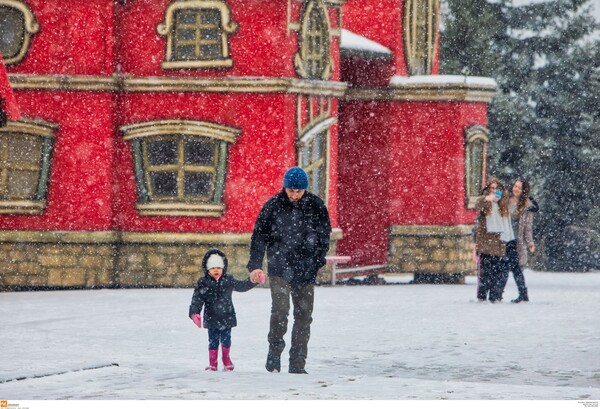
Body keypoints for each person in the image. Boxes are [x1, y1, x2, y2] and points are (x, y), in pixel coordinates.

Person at [247, 166, 331, 374]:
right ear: (284, 187)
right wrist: (255, 265)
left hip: (305, 269)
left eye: (298, 191)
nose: (294, 195)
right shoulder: (273, 206)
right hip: (279, 267)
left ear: (305, 190)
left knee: (304, 316)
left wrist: (317, 260)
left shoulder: (316, 206)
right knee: (280, 311)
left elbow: (323, 236)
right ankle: (274, 354)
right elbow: (259, 237)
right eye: (291, 190)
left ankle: (298, 362)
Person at [189, 248, 263, 372]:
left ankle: (226, 359)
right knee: (212, 342)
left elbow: (242, 286)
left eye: (218, 267)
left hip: (226, 317)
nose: (216, 270)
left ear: (223, 267)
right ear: (207, 269)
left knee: (226, 340)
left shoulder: (228, 280)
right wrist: (194, 313)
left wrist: (253, 281)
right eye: (212, 268)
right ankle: (213, 363)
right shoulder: (203, 283)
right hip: (211, 317)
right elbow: (197, 299)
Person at [475, 178, 512, 302]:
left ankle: (495, 296)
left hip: (499, 243)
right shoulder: (485, 201)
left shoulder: (503, 204)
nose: (495, 191)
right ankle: (482, 296)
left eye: (497, 188)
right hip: (486, 244)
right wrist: (487, 199)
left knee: (497, 273)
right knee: (485, 273)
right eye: (492, 188)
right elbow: (477, 204)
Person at [502, 177, 537, 303]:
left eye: (519, 187)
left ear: (523, 191)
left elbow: (528, 227)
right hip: (503, 239)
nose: (516, 189)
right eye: (515, 186)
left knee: (515, 268)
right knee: (503, 268)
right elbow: (495, 194)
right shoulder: (505, 199)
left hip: (515, 241)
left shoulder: (527, 206)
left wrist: (530, 243)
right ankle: (498, 294)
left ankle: (523, 294)